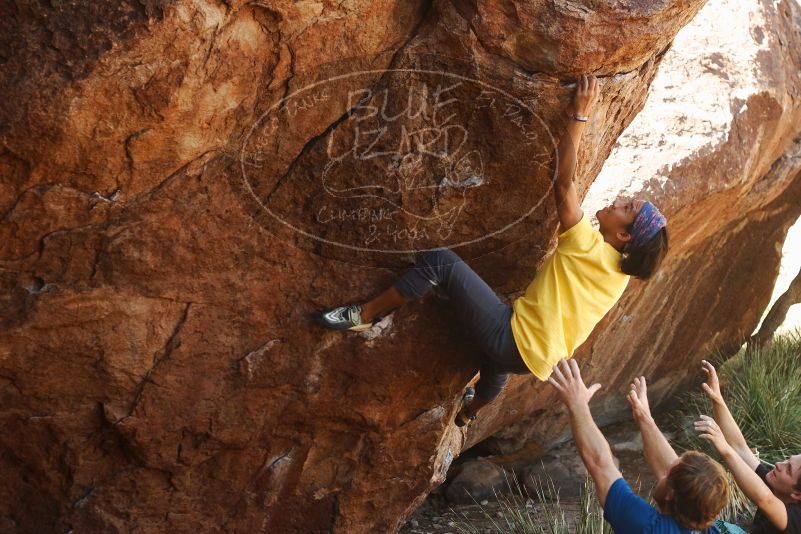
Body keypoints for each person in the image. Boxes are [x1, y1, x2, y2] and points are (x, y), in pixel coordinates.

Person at [316, 74, 669, 426]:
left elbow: (564, 183)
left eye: (627, 209)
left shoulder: (587, 245)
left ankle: (362, 317)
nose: (619, 202)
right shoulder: (620, 276)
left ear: (624, 236)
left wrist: (578, 115)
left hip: (510, 336)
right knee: (496, 368)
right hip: (533, 360)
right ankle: (469, 413)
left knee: (440, 262)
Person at [548, 358, 729, 533]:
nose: (663, 470)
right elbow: (679, 476)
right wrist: (645, 419)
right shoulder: (707, 527)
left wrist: (577, 404)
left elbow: (600, 464)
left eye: (667, 473)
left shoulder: (647, 527)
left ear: (670, 495)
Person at [694, 360, 801, 533]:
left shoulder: (797, 519)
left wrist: (723, 447)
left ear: (797, 495)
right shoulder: (776, 482)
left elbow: (765, 499)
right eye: (788, 460)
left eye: (788, 470)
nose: (780, 464)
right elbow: (740, 448)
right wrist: (717, 398)